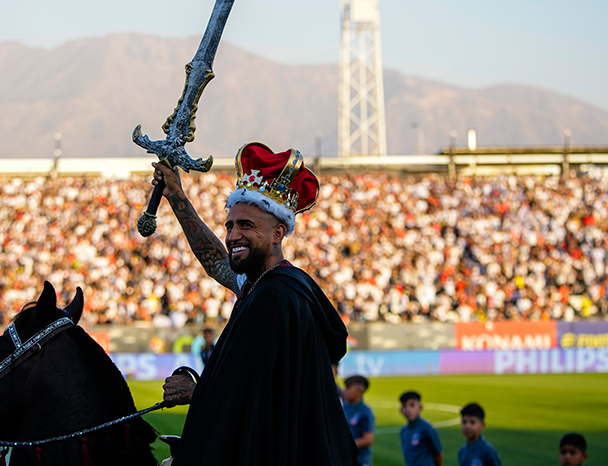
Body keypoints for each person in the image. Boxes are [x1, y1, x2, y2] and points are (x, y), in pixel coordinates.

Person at [154, 142, 358, 466]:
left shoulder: (274, 297)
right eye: (230, 225)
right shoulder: (270, 284)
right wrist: (177, 197)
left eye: (246, 225)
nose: (233, 235)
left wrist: (193, 392)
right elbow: (215, 261)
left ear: (278, 233)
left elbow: (253, 392)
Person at [399, 390, 444, 466]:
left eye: (412, 405)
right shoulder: (403, 431)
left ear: (420, 407)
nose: (408, 409)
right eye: (404, 406)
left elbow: (437, 454)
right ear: (401, 410)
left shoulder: (426, 429)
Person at [341, 376, 375, 466]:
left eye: (347, 388)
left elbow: (368, 439)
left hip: (360, 459)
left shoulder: (365, 411)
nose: (344, 391)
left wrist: (346, 447)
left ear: (359, 391)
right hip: (345, 458)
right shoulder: (345, 407)